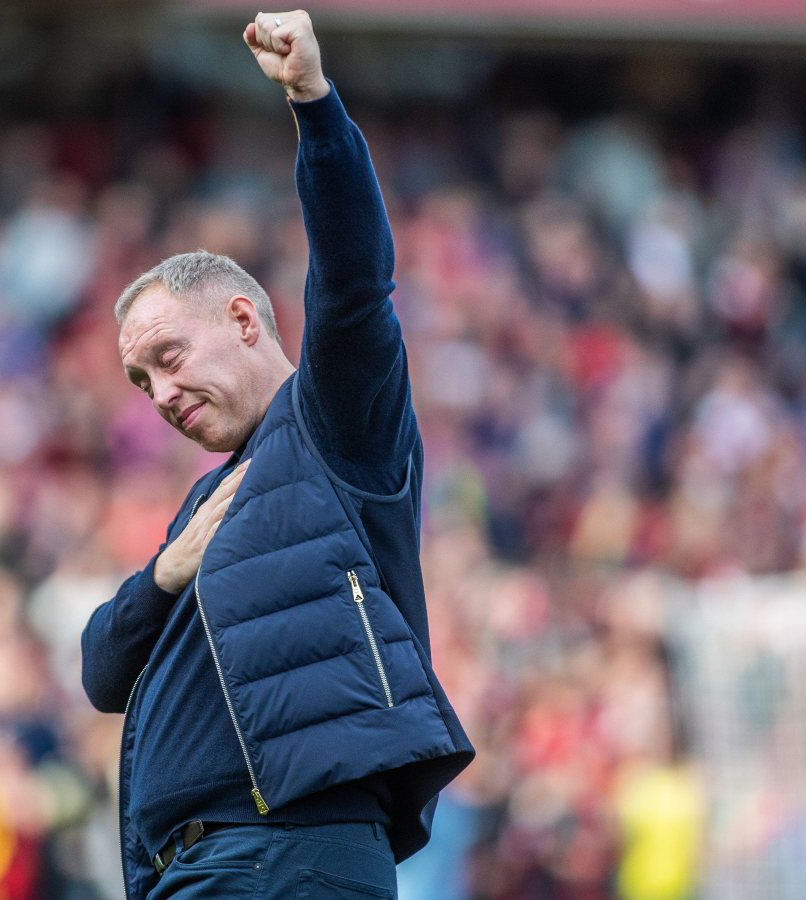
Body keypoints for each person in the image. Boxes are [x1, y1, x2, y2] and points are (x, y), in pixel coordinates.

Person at [81, 10, 474, 898]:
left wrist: (312, 103)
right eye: (141, 384)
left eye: (168, 359)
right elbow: (101, 670)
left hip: (281, 858)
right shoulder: (206, 505)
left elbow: (351, 280)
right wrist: (164, 574)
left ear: (244, 320)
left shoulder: (331, 422)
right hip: (211, 869)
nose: (161, 396)